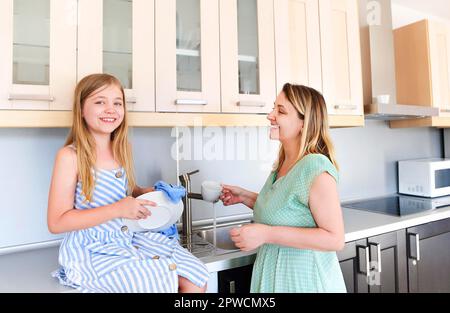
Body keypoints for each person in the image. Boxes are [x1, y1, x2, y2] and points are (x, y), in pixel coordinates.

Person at [47, 73, 209, 293]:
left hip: (126, 236)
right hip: (93, 248)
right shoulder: (70, 156)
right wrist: (118, 209)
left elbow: (123, 190)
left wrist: (144, 193)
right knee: (148, 282)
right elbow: (57, 222)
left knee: (196, 277)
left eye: (117, 103)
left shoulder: (122, 149)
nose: (110, 109)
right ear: (81, 110)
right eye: (99, 102)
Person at [220, 83, 346, 293]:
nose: (270, 115)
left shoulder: (315, 167)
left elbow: (335, 238)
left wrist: (266, 234)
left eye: (281, 111)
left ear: (303, 123)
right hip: (274, 277)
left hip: (304, 282)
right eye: (273, 108)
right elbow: (285, 208)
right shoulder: (285, 163)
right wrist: (245, 196)